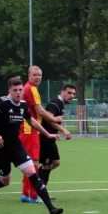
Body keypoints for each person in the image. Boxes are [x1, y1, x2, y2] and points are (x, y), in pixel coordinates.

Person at [0, 77, 63, 214]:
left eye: (20, 90)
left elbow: (31, 121)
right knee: (5, 180)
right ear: (9, 91)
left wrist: (48, 134)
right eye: (15, 90)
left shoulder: (23, 105)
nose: (19, 93)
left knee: (32, 173)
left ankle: (51, 209)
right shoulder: (1, 103)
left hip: (15, 146)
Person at [20, 66, 64, 203]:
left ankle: (26, 194)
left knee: (30, 162)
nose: (38, 77)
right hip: (29, 129)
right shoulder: (31, 88)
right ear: (29, 75)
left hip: (28, 128)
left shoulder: (31, 88)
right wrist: (54, 119)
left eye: (39, 75)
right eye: (35, 75)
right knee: (33, 162)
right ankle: (33, 195)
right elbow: (39, 111)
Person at [37, 84, 75, 186]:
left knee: (56, 162)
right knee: (47, 165)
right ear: (62, 92)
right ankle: (40, 193)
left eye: (73, 94)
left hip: (51, 138)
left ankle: (36, 178)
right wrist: (63, 130)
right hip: (45, 137)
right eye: (69, 93)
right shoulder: (55, 103)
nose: (72, 96)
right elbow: (48, 118)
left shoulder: (60, 103)